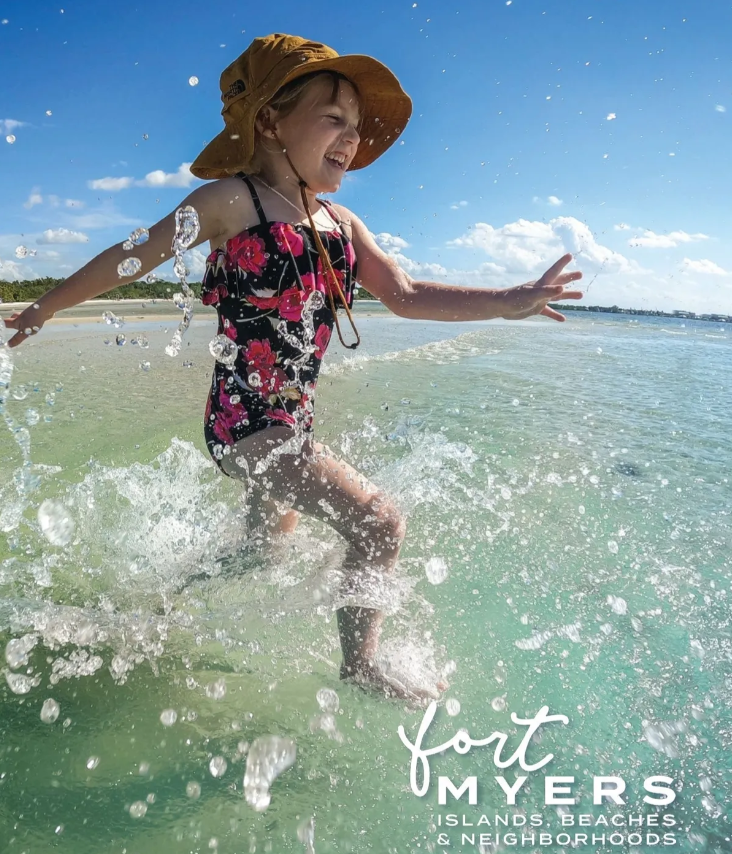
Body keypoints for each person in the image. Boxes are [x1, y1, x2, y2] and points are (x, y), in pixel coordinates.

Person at [3, 34, 583, 701]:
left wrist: (508, 301)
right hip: (247, 425)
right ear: (273, 121)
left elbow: (408, 294)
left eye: (357, 128)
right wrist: (42, 305)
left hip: (293, 424)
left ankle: (138, 614)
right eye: (333, 119)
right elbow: (133, 255)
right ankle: (361, 665)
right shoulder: (231, 201)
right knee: (379, 521)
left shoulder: (342, 222)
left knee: (263, 553)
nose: (350, 140)